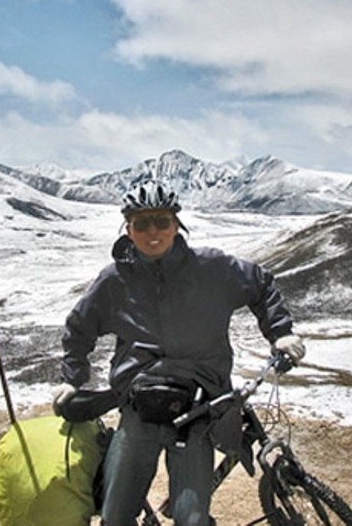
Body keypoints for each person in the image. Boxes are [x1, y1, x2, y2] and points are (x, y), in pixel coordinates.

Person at [52, 179, 304, 526]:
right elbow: (79, 329)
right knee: (115, 517)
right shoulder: (114, 281)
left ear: (176, 225)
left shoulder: (212, 268)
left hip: (198, 412)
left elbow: (261, 285)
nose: (152, 232)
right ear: (128, 229)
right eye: (142, 223)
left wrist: (281, 333)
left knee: (192, 519)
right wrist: (72, 378)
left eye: (162, 222)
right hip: (140, 410)